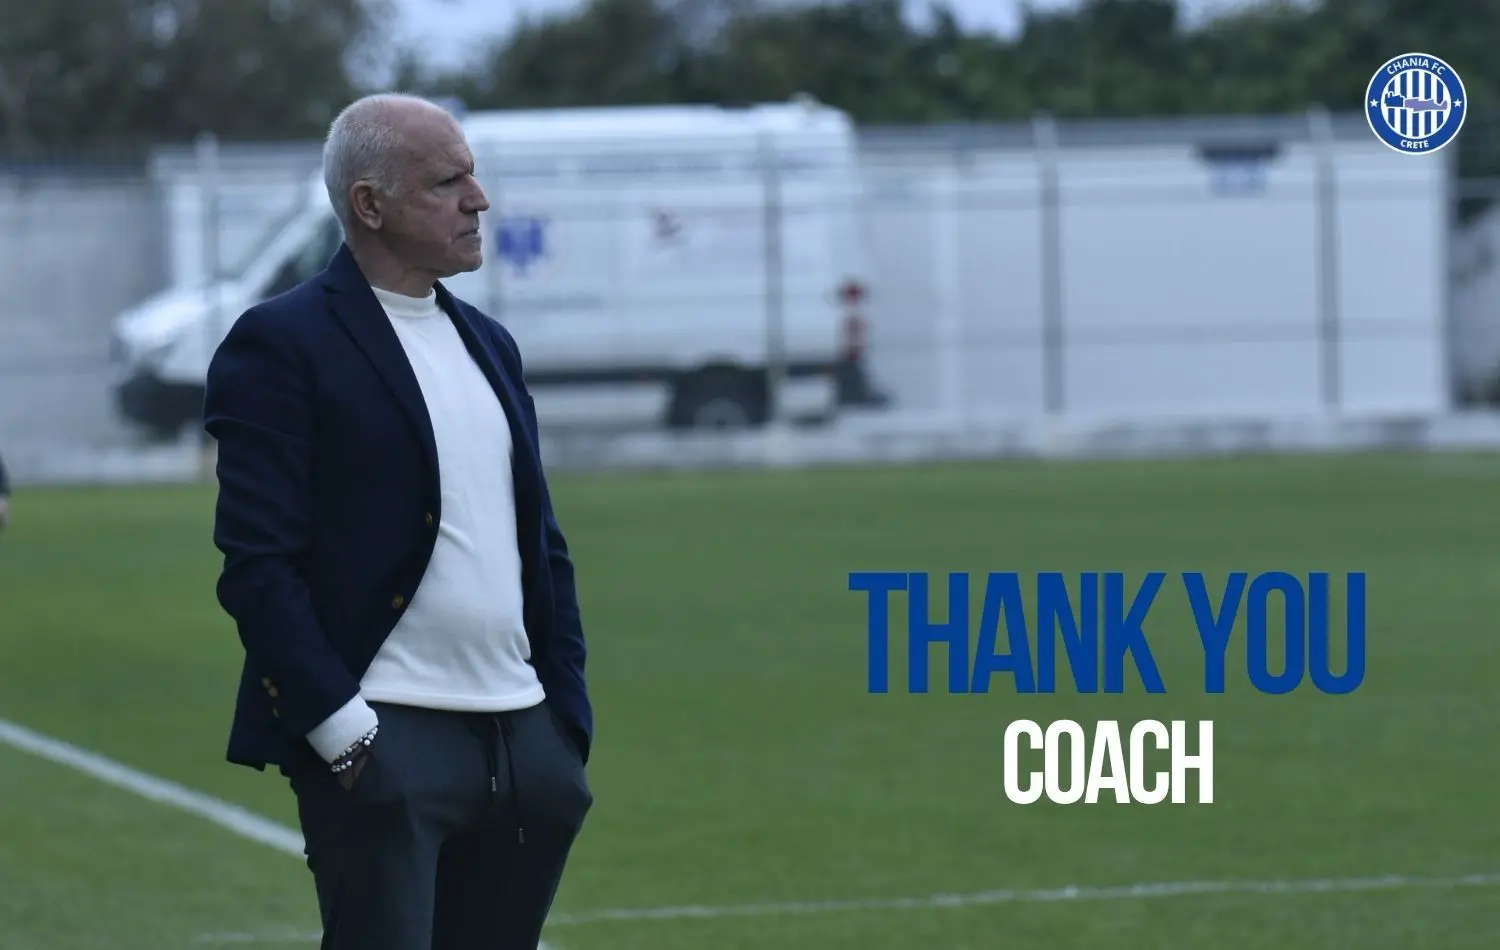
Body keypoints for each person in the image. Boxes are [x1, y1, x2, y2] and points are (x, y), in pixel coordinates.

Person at [202, 92, 593, 950]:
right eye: (447, 182)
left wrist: (564, 721)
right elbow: (258, 566)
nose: (477, 199)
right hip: (385, 736)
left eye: (473, 177)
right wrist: (345, 736)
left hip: (525, 740)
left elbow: (541, 546)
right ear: (369, 205)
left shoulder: (490, 343)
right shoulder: (281, 343)